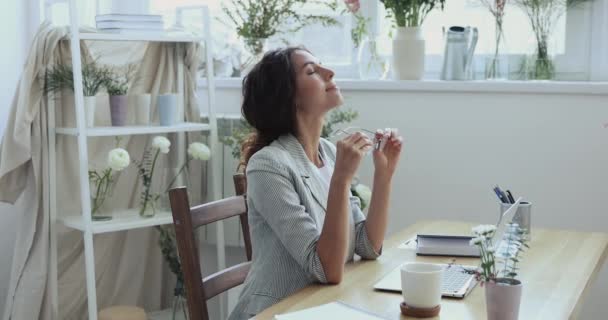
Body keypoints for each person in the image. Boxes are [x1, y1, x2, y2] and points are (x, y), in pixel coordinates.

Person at [228, 46, 403, 320]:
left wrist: (384, 174)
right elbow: (326, 269)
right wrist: (341, 180)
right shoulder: (267, 165)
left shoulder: (328, 152)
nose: (330, 72)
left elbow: (366, 245)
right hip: (278, 311)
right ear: (289, 97)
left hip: (324, 305)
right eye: (312, 71)